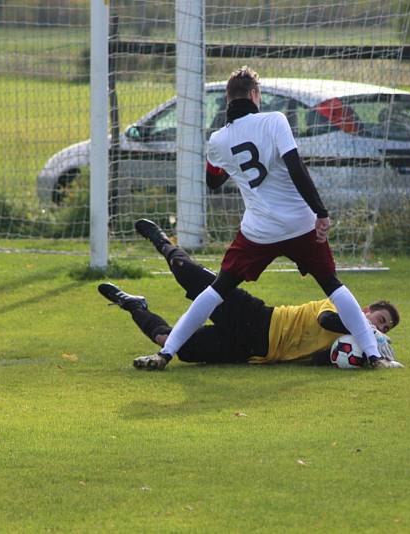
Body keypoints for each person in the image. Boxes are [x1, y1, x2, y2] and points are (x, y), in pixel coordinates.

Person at [137, 65, 384, 370]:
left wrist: (228, 160)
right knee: (332, 285)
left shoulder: (217, 140)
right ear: (255, 95)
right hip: (299, 223)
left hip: (259, 231)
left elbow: (213, 181)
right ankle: (374, 356)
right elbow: (296, 168)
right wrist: (321, 212)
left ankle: (166, 353)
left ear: (228, 99)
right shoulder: (275, 120)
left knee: (216, 290)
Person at [97, 231, 402, 369]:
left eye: (384, 329)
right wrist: (366, 332)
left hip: (253, 353)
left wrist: (366, 357)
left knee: (177, 344)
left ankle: (134, 305)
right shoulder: (340, 308)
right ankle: (163, 242)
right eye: (380, 320)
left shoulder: (350, 344)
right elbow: (326, 321)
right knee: (187, 272)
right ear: (366, 310)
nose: (380, 329)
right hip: (259, 320)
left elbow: (325, 359)